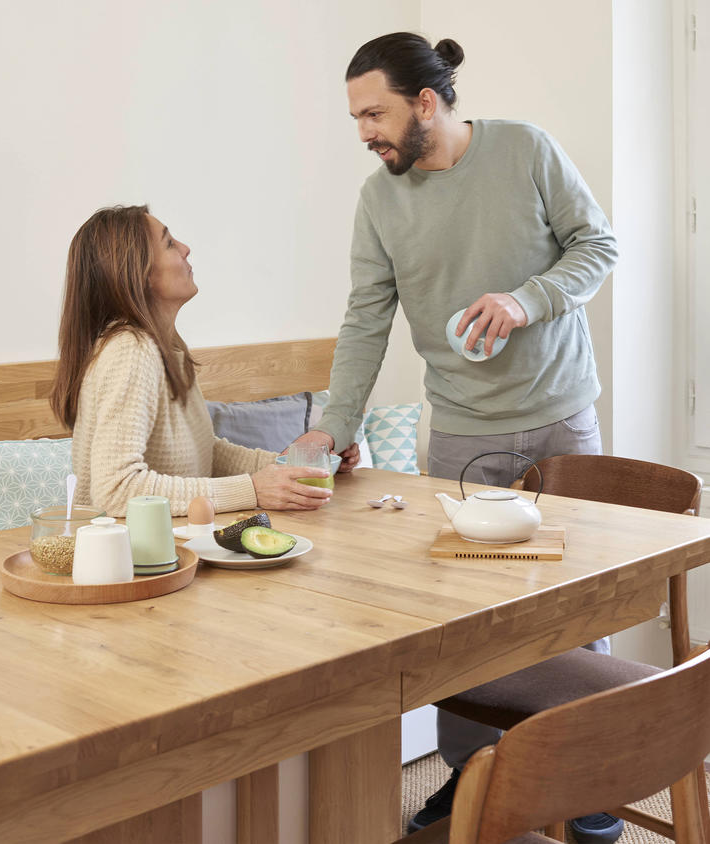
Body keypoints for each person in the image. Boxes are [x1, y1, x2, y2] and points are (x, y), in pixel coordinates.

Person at [290, 33, 620, 843]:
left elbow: (598, 246)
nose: (364, 131)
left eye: (375, 113)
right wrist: (336, 426)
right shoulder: (380, 199)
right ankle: (469, 776)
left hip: (561, 415)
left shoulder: (525, 151)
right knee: (464, 623)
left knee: (581, 602)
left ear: (426, 103)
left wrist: (526, 299)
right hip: (464, 434)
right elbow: (366, 320)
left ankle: (592, 775)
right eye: (356, 116)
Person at [50, 204, 332, 518]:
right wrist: (252, 489)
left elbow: (205, 452)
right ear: (138, 272)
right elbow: (116, 490)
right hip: (132, 560)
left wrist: (295, 466)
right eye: (170, 244)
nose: (186, 249)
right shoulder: (130, 350)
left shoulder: (167, 349)